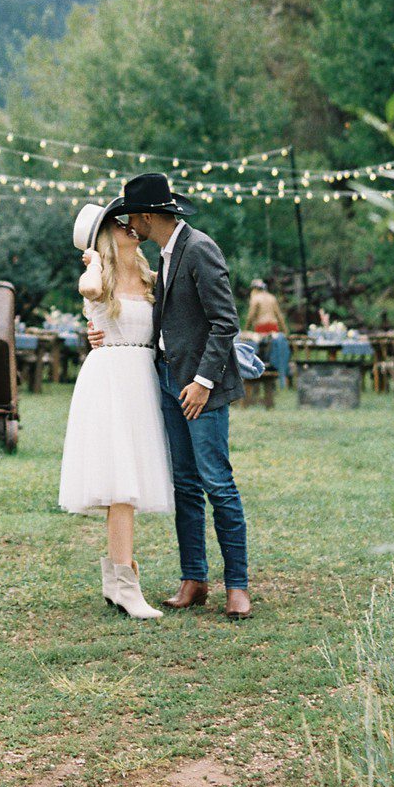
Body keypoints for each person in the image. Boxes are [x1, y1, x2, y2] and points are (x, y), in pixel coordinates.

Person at [90, 172, 252, 620]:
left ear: (145, 216)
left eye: (129, 219)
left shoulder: (199, 249)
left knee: (217, 482)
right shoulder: (165, 255)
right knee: (185, 484)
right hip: (167, 381)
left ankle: (237, 585)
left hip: (202, 387)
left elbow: (225, 323)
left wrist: (203, 382)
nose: (128, 228)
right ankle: (194, 579)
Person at [58, 203, 173, 619]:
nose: (131, 228)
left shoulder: (149, 277)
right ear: (104, 236)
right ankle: (125, 584)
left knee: (132, 481)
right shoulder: (97, 277)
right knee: (121, 484)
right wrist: (92, 260)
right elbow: (89, 292)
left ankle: (116, 580)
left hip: (142, 378)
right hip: (111, 380)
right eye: (120, 225)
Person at [245, 277, 292, 384]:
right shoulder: (272, 298)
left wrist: (246, 329)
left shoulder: (255, 298)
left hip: (261, 328)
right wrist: (285, 331)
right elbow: (279, 316)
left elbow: (251, 316)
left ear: (254, 289)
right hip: (273, 327)